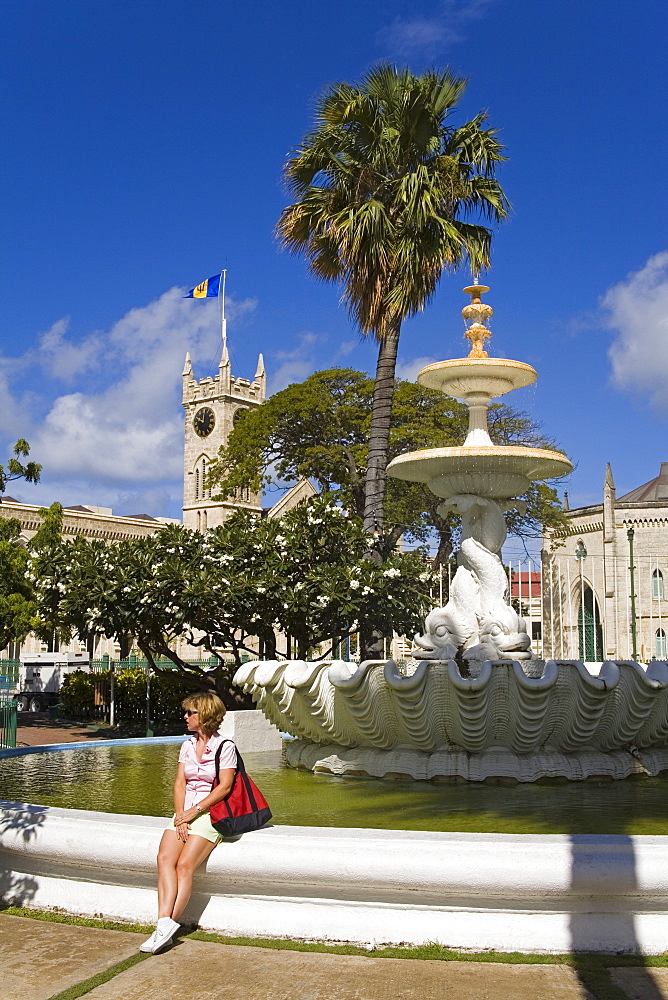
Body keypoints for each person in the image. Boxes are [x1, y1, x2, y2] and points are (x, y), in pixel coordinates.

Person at [140, 691, 237, 954]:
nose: (185, 717)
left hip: (209, 813)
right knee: (164, 859)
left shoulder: (225, 746)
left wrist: (194, 812)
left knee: (184, 866)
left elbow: (225, 787)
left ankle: (169, 924)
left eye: (190, 713)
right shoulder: (186, 745)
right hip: (185, 812)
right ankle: (164, 925)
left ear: (204, 715)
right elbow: (180, 782)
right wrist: (180, 815)